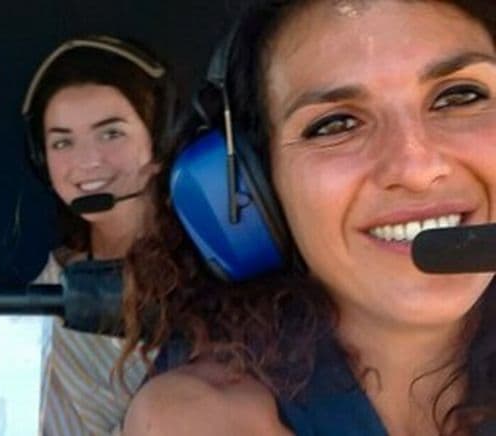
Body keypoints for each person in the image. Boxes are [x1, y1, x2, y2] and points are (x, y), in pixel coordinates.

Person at [121, 1, 496, 435]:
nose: (416, 168)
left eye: (459, 97)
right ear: (253, 187)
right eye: (335, 124)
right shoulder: (203, 419)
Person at [21, 35, 177, 435]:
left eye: (111, 134)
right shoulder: (45, 293)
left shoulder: (217, 283)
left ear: (160, 139)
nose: (87, 161)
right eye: (62, 142)